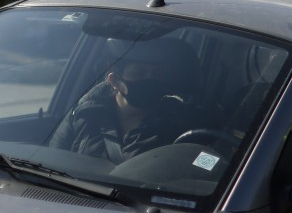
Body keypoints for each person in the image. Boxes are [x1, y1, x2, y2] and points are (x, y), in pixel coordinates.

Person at [48, 37, 200, 163]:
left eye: (157, 75)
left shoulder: (182, 123)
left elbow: (208, 167)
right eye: (139, 74)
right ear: (114, 81)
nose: (149, 80)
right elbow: (53, 162)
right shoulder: (84, 113)